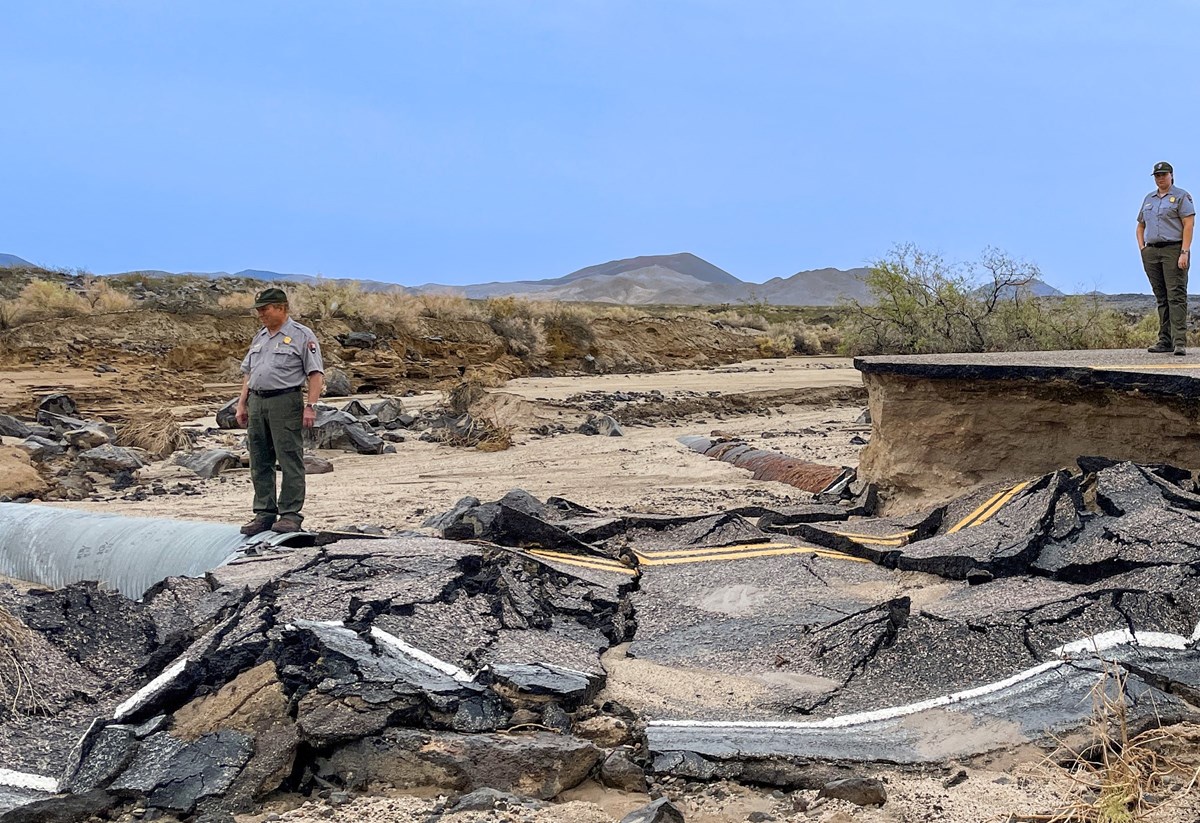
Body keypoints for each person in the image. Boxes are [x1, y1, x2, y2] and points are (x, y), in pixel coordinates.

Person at [235, 287, 325, 534]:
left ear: (282, 308)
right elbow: (249, 373)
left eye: (265, 309)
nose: (260, 314)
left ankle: (290, 514)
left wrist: (311, 406)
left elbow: (315, 374)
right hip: (257, 402)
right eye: (259, 310)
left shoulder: (301, 335)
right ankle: (264, 513)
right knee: (259, 458)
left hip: (285, 401)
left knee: (288, 458)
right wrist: (242, 403)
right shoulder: (260, 336)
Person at [1137, 161, 1195, 356]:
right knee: (1161, 297)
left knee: (1176, 296)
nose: (1160, 178)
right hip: (1152, 251)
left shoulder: (1180, 196)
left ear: (1171, 175)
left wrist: (1184, 252)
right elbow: (1140, 225)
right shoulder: (1149, 199)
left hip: (1173, 250)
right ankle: (1165, 340)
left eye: (1163, 174)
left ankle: (1179, 342)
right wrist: (1143, 248)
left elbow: (1188, 224)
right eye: (1157, 175)